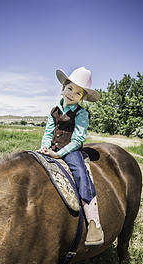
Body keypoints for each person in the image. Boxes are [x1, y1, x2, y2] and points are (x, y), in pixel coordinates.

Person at [38, 67, 104, 246]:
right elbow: (48, 132)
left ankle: (93, 223)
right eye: (70, 89)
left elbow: (78, 139)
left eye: (78, 93)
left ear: (81, 98)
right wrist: (44, 147)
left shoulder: (81, 113)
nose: (72, 94)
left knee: (81, 175)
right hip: (52, 147)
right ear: (63, 87)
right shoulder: (54, 110)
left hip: (71, 151)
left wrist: (59, 154)